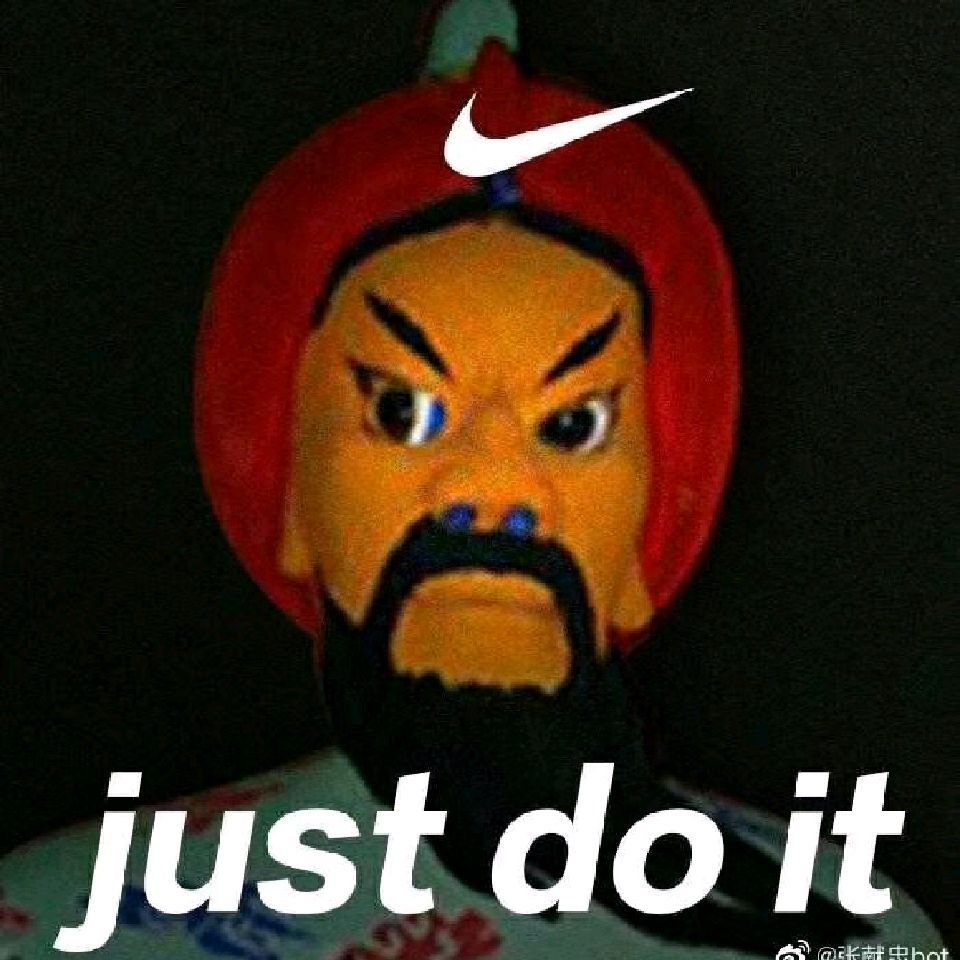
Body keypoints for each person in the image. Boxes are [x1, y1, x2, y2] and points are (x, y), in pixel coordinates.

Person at [0, 3, 945, 959]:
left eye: (572, 427)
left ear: (651, 527)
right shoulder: (59, 927)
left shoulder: (854, 942)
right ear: (290, 494)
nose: (494, 493)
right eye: (400, 412)